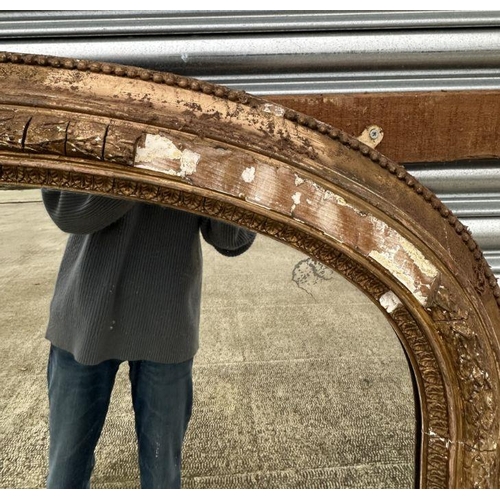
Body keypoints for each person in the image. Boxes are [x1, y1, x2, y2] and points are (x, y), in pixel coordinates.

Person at [41, 189, 256, 489]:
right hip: (86, 313)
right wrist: (152, 168)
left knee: (162, 480)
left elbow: (233, 239)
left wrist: (222, 169)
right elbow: (66, 209)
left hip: (167, 319)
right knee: (65, 476)